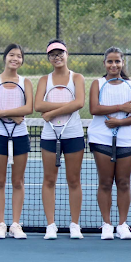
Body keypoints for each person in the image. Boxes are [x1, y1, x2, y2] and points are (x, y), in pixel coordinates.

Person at [88, 47, 131, 240]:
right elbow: (94, 108)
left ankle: (122, 224)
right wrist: (120, 108)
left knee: (124, 183)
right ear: (104, 63)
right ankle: (107, 224)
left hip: (126, 140)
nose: (113, 65)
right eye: (110, 61)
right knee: (105, 182)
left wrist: (119, 122)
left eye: (117, 61)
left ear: (122, 63)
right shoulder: (97, 84)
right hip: (100, 139)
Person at [34, 39, 86, 240]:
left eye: (60, 53)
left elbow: (79, 102)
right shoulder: (44, 80)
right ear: (49, 58)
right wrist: (59, 109)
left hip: (73, 134)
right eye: (53, 54)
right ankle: (51, 225)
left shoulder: (77, 78)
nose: (57, 57)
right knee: (49, 180)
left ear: (67, 54)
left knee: (74, 180)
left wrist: (51, 113)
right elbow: (38, 105)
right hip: (49, 135)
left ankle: (75, 225)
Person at [0, 44, 33, 239]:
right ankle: (1, 224)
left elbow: (29, 108)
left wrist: (4, 113)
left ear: (22, 60)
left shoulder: (25, 82)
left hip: (20, 136)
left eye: (19, 56)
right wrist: (14, 115)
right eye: (11, 55)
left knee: (18, 181)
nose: (15, 59)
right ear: (5, 57)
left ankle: (15, 225)